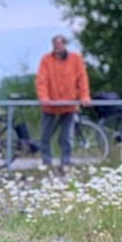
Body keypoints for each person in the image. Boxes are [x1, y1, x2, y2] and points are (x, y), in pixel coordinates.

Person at [35, 35, 93, 168]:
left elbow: (82, 80)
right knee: (45, 135)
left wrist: (84, 96)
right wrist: (44, 97)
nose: (57, 47)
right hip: (50, 106)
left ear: (65, 45)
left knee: (66, 136)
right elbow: (41, 81)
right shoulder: (46, 60)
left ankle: (65, 162)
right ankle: (46, 161)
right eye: (54, 44)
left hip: (69, 105)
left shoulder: (75, 59)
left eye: (59, 44)